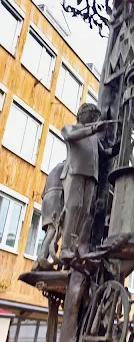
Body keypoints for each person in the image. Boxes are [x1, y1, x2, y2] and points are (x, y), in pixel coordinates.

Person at [60, 103, 108, 258]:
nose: (94, 119)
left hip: (91, 175)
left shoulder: (93, 137)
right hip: (75, 171)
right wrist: (93, 129)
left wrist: (117, 147)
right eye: (93, 115)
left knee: (84, 212)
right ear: (83, 114)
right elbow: (69, 137)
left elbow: (104, 153)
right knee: (73, 207)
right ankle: (65, 247)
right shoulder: (70, 128)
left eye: (96, 117)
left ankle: (73, 247)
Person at [33, 161, 65, 270]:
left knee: (50, 232)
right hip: (57, 198)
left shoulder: (54, 169)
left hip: (47, 202)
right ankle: (41, 260)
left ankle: (41, 260)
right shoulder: (67, 166)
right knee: (55, 231)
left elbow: (43, 194)